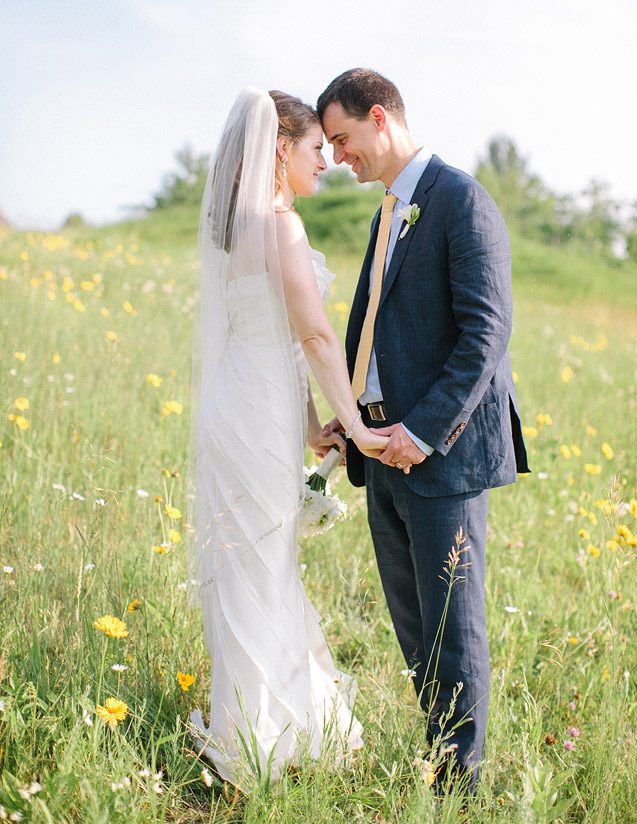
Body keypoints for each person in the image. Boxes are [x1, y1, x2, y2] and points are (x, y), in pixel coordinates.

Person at [318, 68, 529, 789]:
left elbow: (485, 331)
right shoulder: (388, 211)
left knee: (454, 630)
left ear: (380, 117)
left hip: (439, 456)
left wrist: (426, 431)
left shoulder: (460, 200)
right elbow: (376, 332)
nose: (339, 158)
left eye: (343, 140)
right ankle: (436, 755)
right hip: (380, 451)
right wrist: (351, 424)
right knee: (414, 624)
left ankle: (461, 788)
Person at [186, 87, 388, 789]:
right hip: (257, 414)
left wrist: (309, 426)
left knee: (252, 567)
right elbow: (311, 335)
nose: (325, 163)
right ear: (279, 148)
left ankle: (256, 721)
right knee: (262, 568)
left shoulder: (235, 233)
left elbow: (266, 340)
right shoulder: (284, 230)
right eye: (312, 149)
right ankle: (256, 739)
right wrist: (355, 422)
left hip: (239, 409)